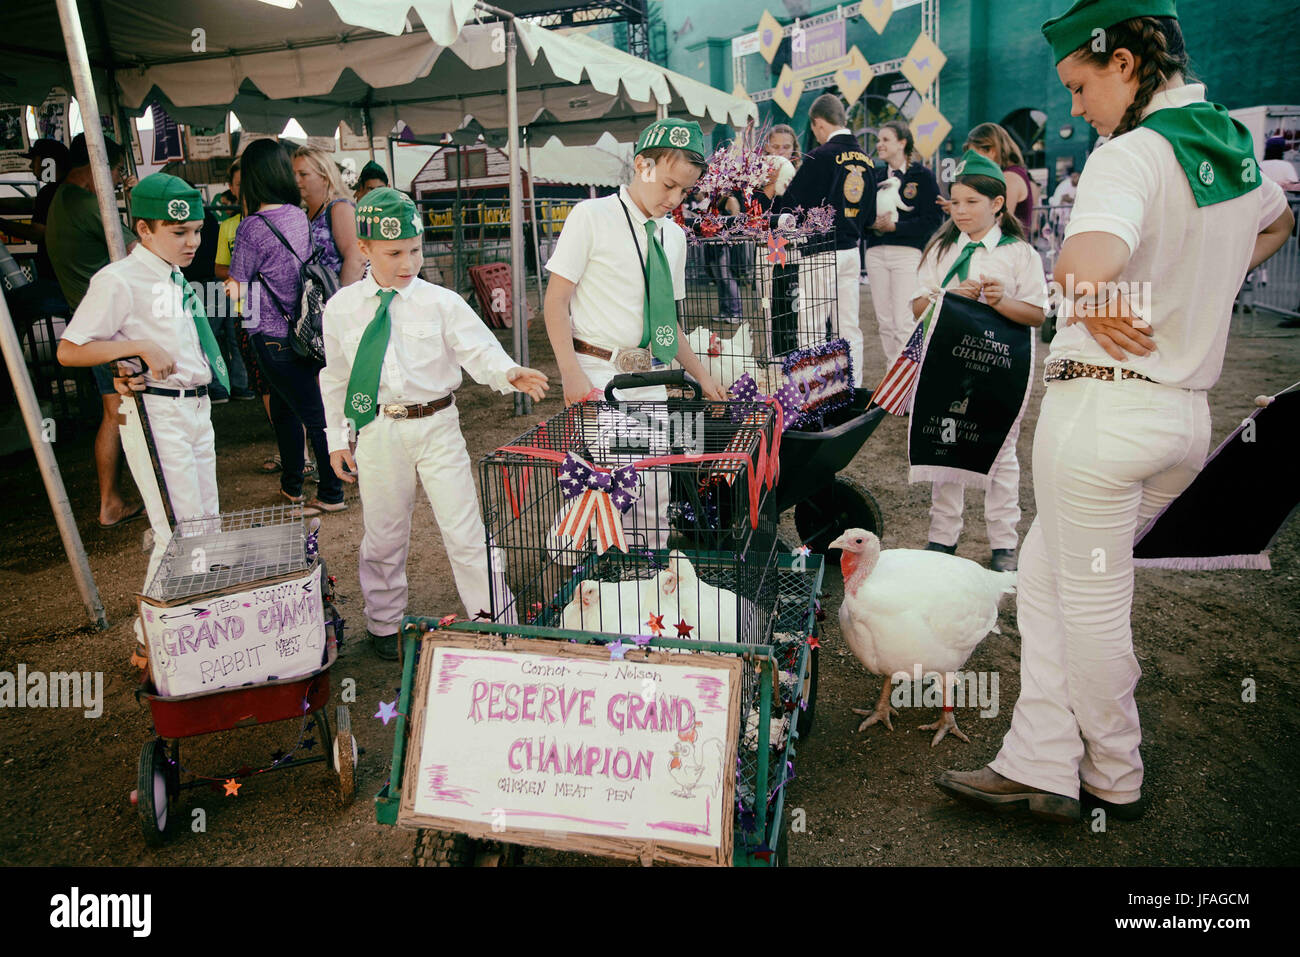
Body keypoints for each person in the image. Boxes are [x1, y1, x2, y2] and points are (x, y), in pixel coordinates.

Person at [936, 0, 1294, 824]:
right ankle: (1041, 759)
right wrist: (1188, 292)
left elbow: (1084, 267)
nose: (1072, 107)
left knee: (1089, 606)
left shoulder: (1128, 153)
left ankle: (1115, 772)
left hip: (1102, 418)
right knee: (1048, 587)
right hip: (1180, 422)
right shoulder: (1234, 148)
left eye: (1079, 84)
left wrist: (1090, 291)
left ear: (1125, 65)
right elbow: (1278, 227)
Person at [320, 188, 548, 659]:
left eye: (416, 249)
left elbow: (477, 348)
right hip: (379, 429)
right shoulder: (342, 307)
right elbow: (336, 377)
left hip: (438, 426)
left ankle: (496, 621)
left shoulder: (441, 302)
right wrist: (337, 439)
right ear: (364, 249)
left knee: (464, 530)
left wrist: (508, 371)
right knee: (383, 533)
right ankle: (383, 624)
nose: (409, 262)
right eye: (394, 253)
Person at [56, 174, 227, 528]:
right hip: (161, 406)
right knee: (183, 523)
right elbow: (69, 350)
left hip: (196, 402)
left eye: (196, 230)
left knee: (208, 514)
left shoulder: (173, 274)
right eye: (179, 232)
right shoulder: (118, 279)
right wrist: (138, 347)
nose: (192, 242)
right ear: (144, 230)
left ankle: (211, 574)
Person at [910, 150, 1048, 572]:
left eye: (972, 202)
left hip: (999, 368)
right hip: (947, 364)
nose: (960, 210)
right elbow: (918, 306)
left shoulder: (1019, 254)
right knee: (946, 443)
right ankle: (942, 536)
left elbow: (1038, 314)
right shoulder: (942, 249)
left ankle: (1004, 542)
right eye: (955, 201)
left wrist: (1000, 301)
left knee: (1001, 450)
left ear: (997, 204)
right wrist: (952, 298)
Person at [228, 139, 346, 515]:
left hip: (272, 334)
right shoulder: (297, 215)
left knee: (311, 414)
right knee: (285, 410)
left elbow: (237, 284)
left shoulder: (251, 227)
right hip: (306, 329)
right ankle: (292, 485)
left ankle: (331, 493)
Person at [44, 134, 143, 528]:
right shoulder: (88, 205)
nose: (118, 179)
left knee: (113, 412)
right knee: (119, 414)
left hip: (85, 317)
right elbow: (140, 247)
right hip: (108, 326)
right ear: (97, 166)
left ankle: (111, 501)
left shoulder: (58, 201)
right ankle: (112, 501)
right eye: (117, 170)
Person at [775, 94, 877, 386]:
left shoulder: (819, 156)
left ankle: (813, 395)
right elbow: (869, 217)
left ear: (818, 123)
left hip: (819, 250)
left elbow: (790, 207)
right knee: (849, 326)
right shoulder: (867, 160)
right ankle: (853, 388)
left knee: (812, 326)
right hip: (851, 251)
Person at [865, 120, 944, 363]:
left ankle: (906, 379)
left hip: (907, 254)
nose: (879, 144)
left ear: (902, 142)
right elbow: (860, 213)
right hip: (876, 252)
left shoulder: (922, 176)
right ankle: (892, 375)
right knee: (885, 322)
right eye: (878, 140)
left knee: (903, 320)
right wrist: (872, 224)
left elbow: (932, 220)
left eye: (885, 139)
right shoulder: (874, 175)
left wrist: (896, 227)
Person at [0, 138, 70, 284]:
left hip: (56, 278)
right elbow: (31, 203)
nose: (31, 166)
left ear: (48, 163)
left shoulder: (49, 192)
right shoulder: (65, 188)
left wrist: (1, 224)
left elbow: (36, 233)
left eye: (34, 160)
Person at [292, 146, 364, 285]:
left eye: (303, 174)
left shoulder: (339, 209)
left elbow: (357, 259)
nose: (296, 180)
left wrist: (339, 301)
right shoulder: (305, 213)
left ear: (325, 177)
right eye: (293, 174)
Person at [963, 123, 1036, 232]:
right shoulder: (1012, 174)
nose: (972, 162)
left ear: (992, 151)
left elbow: (999, 220)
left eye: (975, 156)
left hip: (1006, 246)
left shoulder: (1009, 177)